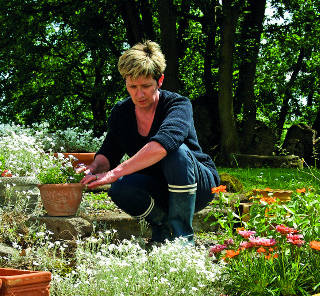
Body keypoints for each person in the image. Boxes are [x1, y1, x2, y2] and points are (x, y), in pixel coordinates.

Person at [80, 40, 219, 245]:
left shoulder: (178, 105)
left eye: (146, 86)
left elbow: (162, 146)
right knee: (119, 188)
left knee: (176, 152)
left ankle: (183, 240)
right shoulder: (121, 113)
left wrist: (115, 172)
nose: (139, 94)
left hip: (197, 185)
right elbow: (108, 153)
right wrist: (92, 169)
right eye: (132, 86)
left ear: (160, 80)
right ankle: (161, 227)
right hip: (156, 188)